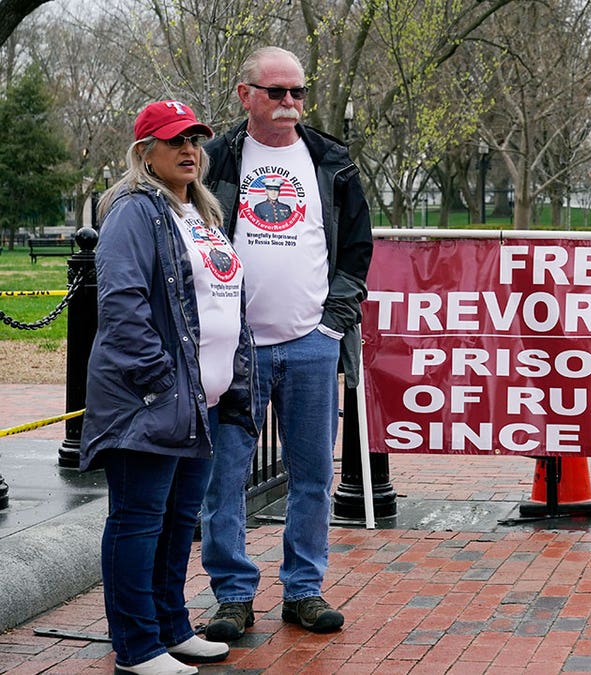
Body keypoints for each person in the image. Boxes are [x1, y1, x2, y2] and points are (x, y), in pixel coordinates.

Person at [200, 46, 373, 640]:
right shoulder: (216, 159)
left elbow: (356, 251)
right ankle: (232, 595)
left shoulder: (332, 161)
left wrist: (332, 322)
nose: (290, 104)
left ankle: (303, 589)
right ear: (246, 94)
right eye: (277, 93)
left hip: (311, 345)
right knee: (224, 477)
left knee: (312, 475)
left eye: (298, 92)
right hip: (236, 349)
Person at [81, 100, 255, 675]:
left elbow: (222, 301)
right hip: (150, 404)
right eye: (174, 140)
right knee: (138, 522)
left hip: (199, 406)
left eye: (195, 140)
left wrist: (227, 382)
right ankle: (135, 647)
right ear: (144, 152)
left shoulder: (200, 213)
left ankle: (171, 628)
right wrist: (160, 382)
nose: (189, 150)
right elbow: (123, 305)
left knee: (180, 521)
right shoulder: (134, 211)